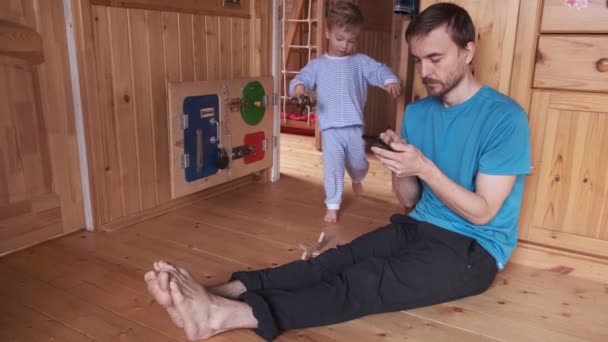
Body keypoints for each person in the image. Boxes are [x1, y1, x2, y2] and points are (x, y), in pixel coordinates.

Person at [144, 3, 531, 341]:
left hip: (472, 249)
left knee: (364, 282)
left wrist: (424, 166)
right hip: (419, 226)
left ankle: (220, 316)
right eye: (417, 61)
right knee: (332, 262)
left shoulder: (505, 118)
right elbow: (411, 199)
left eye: (435, 58)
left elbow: (482, 213)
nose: (425, 71)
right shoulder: (417, 112)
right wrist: (399, 163)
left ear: (468, 52)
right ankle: (221, 292)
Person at [289, 1, 401, 223]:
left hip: (353, 126)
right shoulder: (318, 65)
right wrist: (299, 88)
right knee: (333, 166)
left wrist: (389, 79)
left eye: (351, 41)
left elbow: (378, 70)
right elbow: (300, 79)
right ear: (328, 32)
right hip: (329, 128)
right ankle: (332, 203)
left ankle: (358, 177)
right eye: (340, 38)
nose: (345, 45)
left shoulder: (359, 62)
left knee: (358, 162)